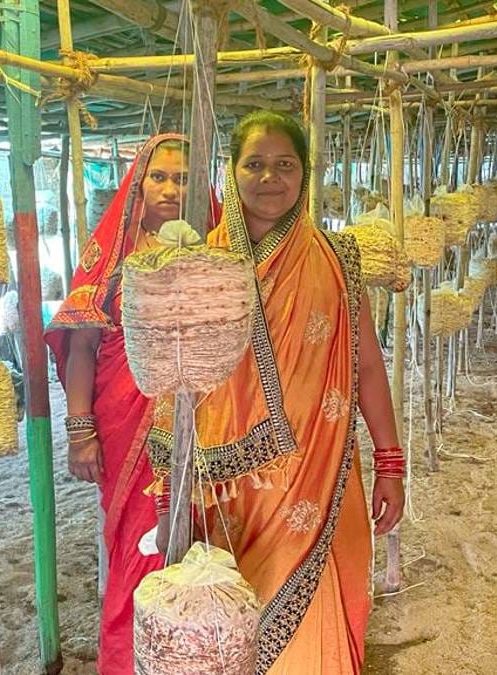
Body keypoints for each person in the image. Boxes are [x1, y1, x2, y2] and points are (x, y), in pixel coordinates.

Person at [146, 110, 406, 673]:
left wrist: (391, 462)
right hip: (226, 493)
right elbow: (171, 388)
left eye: (284, 164)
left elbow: (365, 368)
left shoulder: (339, 260)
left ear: (306, 173)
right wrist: (168, 499)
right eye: (254, 164)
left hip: (320, 471)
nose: (270, 178)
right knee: (227, 630)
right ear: (231, 173)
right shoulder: (198, 263)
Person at [44, 133, 219, 675]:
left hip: (209, 425)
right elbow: (82, 344)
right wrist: (80, 430)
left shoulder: (218, 254)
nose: (170, 189)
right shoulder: (115, 259)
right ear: (137, 185)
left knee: (206, 542)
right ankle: (133, 660)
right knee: (140, 548)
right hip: (128, 426)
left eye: (184, 178)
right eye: (159, 176)